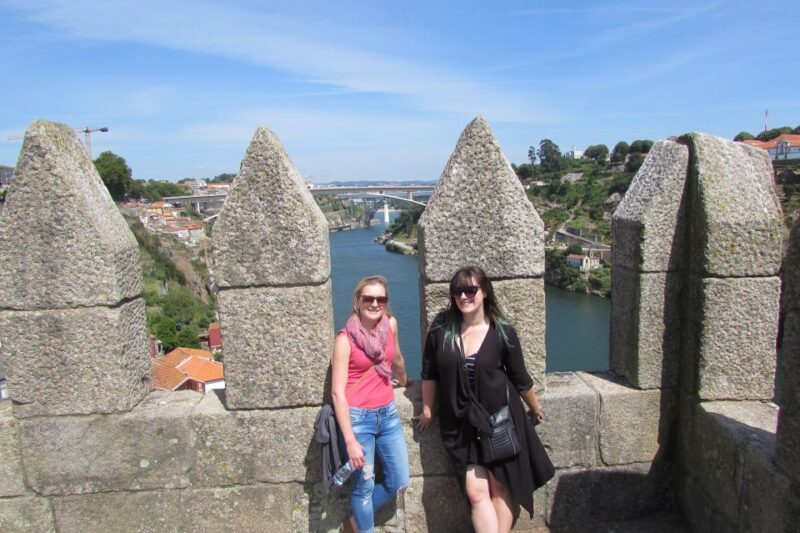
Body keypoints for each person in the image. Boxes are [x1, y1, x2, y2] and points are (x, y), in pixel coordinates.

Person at [414, 266, 554, 533]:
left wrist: (534, 408)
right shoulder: (442, 327)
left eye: (470, 290)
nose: (464, 296)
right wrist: (429, 409)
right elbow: (429, 372)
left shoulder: (502, 331)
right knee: (476, 493)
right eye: (457, 291)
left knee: (500, 488)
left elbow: (520, 378)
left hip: (498, 419)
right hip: (459, 424)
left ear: (485, 291)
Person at [331, 275, 411, 533]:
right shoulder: (345, 340)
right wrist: (351, 441)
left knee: (398, 480)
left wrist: (406, 381)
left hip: (388, 415)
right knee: (363, 486)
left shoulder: (390, 325)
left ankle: (353, 524)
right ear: (357, 301)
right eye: (369, 298)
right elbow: (337, 394)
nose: (375, 303)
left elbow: (395, 358)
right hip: (358, 420)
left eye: (381, 299)